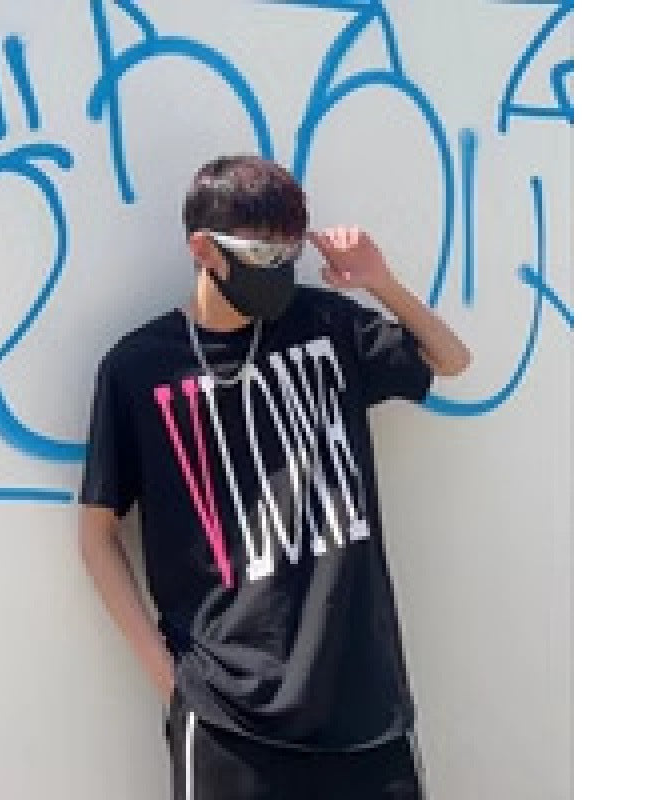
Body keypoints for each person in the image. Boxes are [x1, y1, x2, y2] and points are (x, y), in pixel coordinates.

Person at [78, 154, 471, 799]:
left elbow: (449, 359)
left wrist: (380, 281)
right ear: (203, 250)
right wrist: (174, 684)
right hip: (228, 724)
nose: (280, 272)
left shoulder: (327, 327)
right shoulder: (138, 369)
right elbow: (97, 536)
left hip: (364, 707)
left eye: (289, 254)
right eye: (262, 257)